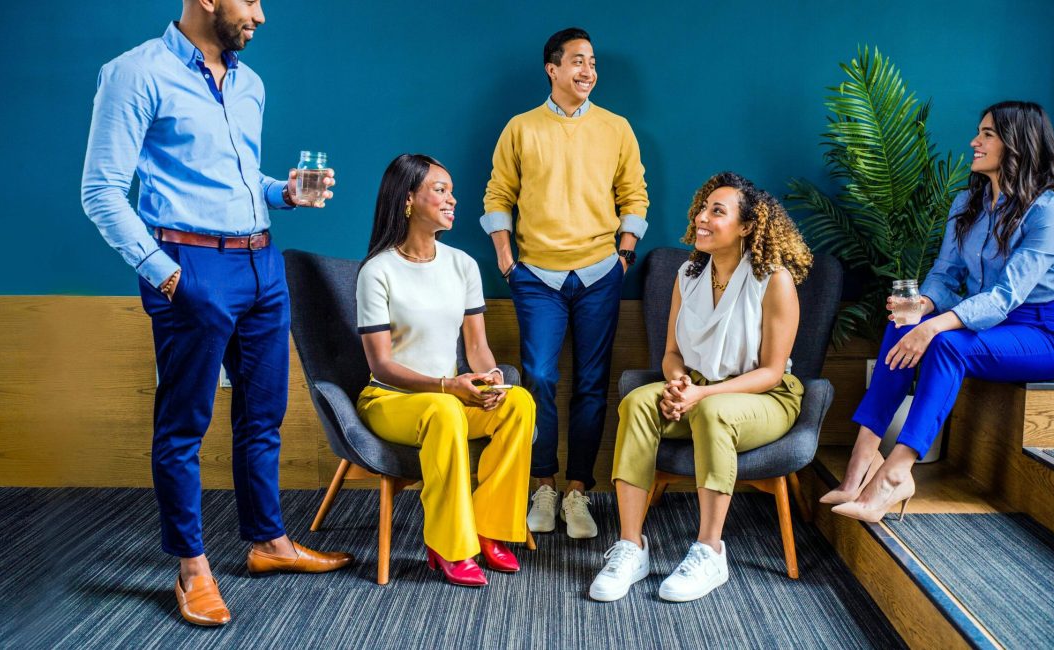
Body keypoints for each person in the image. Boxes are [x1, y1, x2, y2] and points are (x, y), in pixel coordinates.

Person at [80, 0, 351, 627]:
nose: (260, 14)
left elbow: (236, 177)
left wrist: (284, 192)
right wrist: (166, 272)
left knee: (263, 414)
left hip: (263, 264)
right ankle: (192, 568)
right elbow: (100, 190)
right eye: (249, 0)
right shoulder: (134, 73)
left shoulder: (249, 82)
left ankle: (268, 542)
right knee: (184, 426)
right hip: (190, 266)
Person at [822, 101, 1054, 521]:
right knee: (903, 323)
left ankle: (897, 472)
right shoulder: (967, 203)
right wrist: (921, 306)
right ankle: (862, 459)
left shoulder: (1049, 213)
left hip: (1042, 331)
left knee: (945, 344)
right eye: (979, 132)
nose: (974, 141)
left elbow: (1006, 296)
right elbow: (945, 274)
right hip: (983, 324)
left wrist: (933, 326)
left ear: (1018, 143)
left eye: (987, 134)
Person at [589, 172, 812, 603]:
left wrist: (701, 395)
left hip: (763, 397)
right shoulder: (687, 274)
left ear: (747, 227)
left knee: (713, 412)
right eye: (702, 208)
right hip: (696, 389)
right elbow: (672, 352)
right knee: (637, 402)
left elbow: (771, 371)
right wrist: (677, 383)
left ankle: (710, 552)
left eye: (717, 211)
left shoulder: (774, 279)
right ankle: (631, 547)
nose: (701, 218)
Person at [482, 27, 650, 539]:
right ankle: (543, 485)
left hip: (601, 273)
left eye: (592, 62)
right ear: (552, 69)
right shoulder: (520, 128)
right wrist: (507, 260)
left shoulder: (617, 128)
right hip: (536, 276)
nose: (588, 71)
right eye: (578, 61)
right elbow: (498, 194)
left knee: (592, 385)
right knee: (538, 378)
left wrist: (624, 255)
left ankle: (578, 491)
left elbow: (634, 194)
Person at [356, 154, 537, 588]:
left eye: (451, 191)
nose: (452, 199)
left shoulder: (462, 265)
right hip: (390, 400)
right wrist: (446, 387)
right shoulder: (377, 271)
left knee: (518, 402)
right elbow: (381, 364)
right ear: (408, 199)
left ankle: (489, 528)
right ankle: (449, 544)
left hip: (449, 397)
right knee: (444, 411)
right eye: (440, 190)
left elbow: (476, 347)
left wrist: (492, 378)